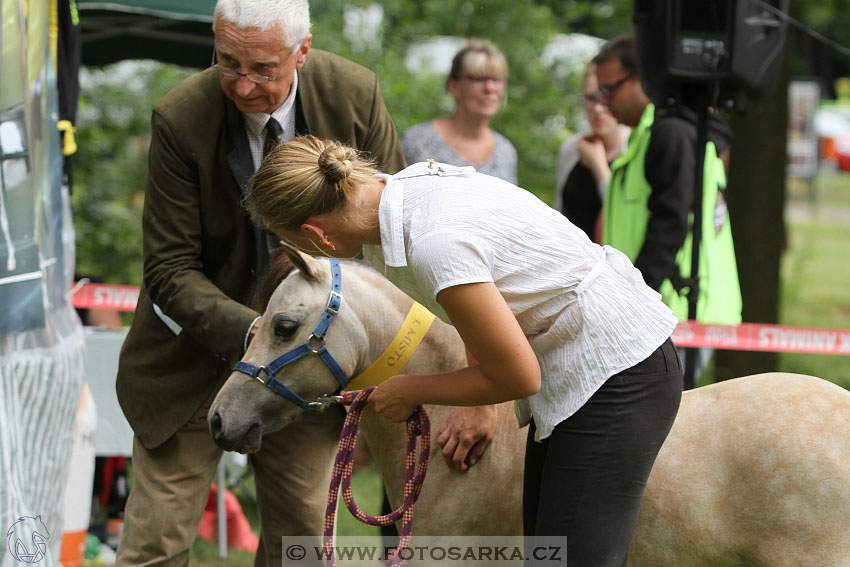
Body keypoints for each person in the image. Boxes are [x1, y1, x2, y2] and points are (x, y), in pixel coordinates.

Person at [248, 135, 684, 566]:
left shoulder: (433, 242)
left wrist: (410, 388)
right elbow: (488, 298)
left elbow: (518, 377)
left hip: (617, 369)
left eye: (296, 243)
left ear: (316, 234)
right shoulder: (404, 194)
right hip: (580, 371)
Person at [113, 1, 406, 565]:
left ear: (303, 50)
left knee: (299, 546)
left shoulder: (354, 94)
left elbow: (389, 234)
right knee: (156, 544)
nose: (243, 86)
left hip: (308, 361)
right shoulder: (180, 116)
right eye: (228, 63)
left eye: (264, 69)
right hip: (190, 361)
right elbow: (168, 270)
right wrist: (263, 332)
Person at [593, 36, 742, 384]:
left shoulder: (670, 133)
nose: (603, 102)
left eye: (609, 90)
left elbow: (670, 224)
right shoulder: (656, 133)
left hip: (670, 309)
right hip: (665, 307)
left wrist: (635, 300)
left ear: (642, 80)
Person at [400, 39, 518, 183]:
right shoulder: (416, 142)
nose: (490, 88)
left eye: (497, 80)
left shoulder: (505, 151)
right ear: (453, 85)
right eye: (478, 79)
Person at [555, 62, 629, 242]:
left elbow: (623, 218)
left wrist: (599, 167)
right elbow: (558, 212)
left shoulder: (633, 147)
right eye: (590, 99)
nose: (597, 109)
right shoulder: (571, 148)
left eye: (604, 96)